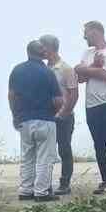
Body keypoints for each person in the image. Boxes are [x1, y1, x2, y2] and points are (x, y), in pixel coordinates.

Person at [9, 39, 62, 201]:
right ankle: (42, 191)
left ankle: (26, 190)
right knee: (45, 158)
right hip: (45, 119)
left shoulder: (17, 70)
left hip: (24, 119)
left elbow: (12, 96)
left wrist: (15, 115)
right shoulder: (47, 72)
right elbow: (58, 100)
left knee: (27, 156)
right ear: (42, 53)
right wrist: (53, 113)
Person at [75, 20, 106, 193]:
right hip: (91, 105)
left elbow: (103, 75)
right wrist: (94, 65)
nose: (83, 36)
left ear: (95, 32)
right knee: (98, 144)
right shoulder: (87, 53)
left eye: (85, 32)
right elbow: (78, 76)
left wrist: (86, 69)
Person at [39, 33, 79, 196]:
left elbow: (73, 95)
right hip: (46, 117)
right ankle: (44, 184)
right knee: (46, 152)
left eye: (42, 47)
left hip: (63, 117)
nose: (40, 51)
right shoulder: (43, 69)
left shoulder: (66, 69)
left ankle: (65, 183)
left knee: (64, 149)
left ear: (49, 48)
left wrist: (63, 113)